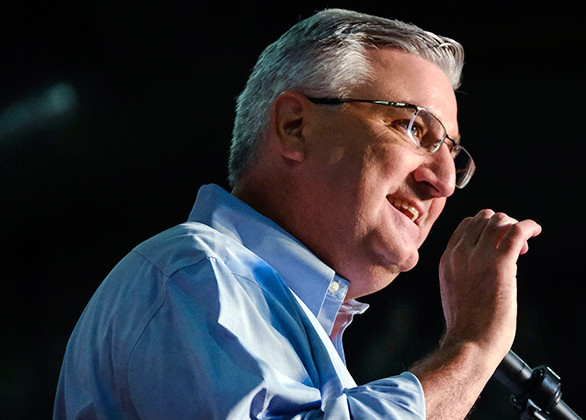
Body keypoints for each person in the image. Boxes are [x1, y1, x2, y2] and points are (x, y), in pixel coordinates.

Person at [54, 8, 542, 419]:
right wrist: (471, 350)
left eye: (454, 157)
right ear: (294, 126)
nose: (442, 179)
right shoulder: (193, 274)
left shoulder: (281, 316)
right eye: (414, 128)